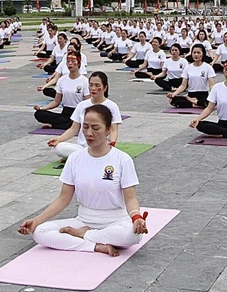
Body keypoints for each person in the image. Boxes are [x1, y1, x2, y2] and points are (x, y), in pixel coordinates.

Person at [19, 104, 146, 256]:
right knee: (40, 232)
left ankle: (84, 236)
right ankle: (96, 246)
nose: (89, 133)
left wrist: (136, 217)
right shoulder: (74, 158)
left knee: (133, 236)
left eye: (95, 128)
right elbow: (63, 198)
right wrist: (37, 220)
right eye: (85, 127)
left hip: (115, 220)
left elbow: (130, 198)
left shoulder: (122, 159)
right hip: (84, 219)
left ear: (107, 130)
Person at [48, 72, 121, 160]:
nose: (93, 88)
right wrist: (59, 139)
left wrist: (112, 143)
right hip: (82, 147)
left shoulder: (112, 106)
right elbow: (73, 129)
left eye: (97, 85)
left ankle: (79, 157)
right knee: (59, 147)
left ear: (105, 88)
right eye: (91, 85)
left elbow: (113, 130)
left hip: (101, 146)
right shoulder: (82, 105)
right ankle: (82, 156)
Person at [34, 53, 89, 129]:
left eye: (73, 61)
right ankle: (66, 124)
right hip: (65, 113)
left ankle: (56, 125)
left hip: (79, 113)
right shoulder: (62, 80)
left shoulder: (85, 81)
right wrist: (42, 108)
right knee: (39, 114)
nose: (70, 63)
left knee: (77, 123)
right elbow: (56, 101)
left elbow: (88, 103)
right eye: (68, 61)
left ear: (79, 64)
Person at [167, 44, 216, 108]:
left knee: (209, 101)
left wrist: (214, 95)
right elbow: (183, 85)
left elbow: (211, 84)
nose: (196, 55)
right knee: (172, 100)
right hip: (191, 94)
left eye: (198, 53)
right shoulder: (188, 68)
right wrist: (174, 94)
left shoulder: (208, 67)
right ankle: (195, 104)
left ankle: (193, 102)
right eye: (194, 52)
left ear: (203, 54)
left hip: (203, 94)